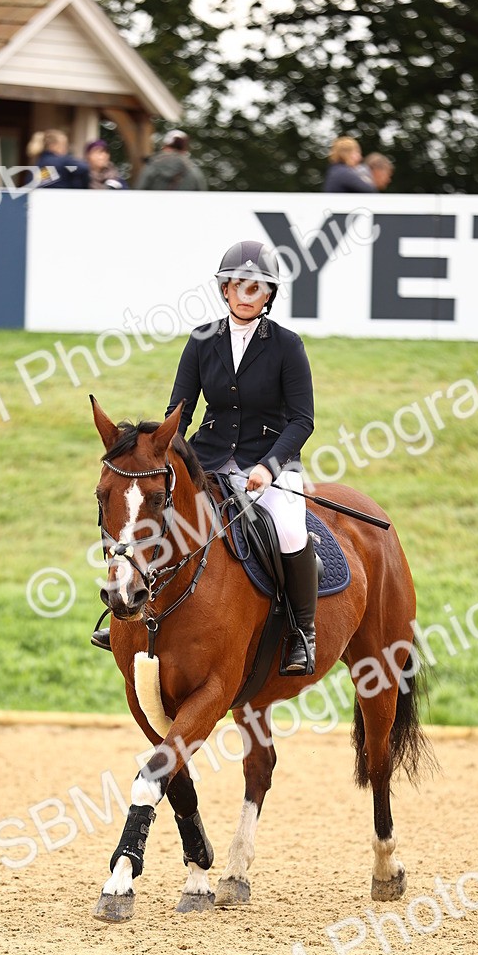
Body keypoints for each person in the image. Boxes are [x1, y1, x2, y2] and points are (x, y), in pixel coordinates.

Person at [93, 240, 318, 675]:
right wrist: (168, 456)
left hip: (269, 463)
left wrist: (268, 467)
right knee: (155, 518)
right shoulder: (202, 340)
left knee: (290, 530)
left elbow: (302, 420)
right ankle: (126, 613)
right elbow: (180, 411)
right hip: (208, 459)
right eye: (237, 285)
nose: (245, 294)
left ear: (268, 294)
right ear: (225, 290)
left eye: (255, 288)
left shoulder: (288, 346)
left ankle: (300, 634)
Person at [136, 129, 207, 191]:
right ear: (184, 148)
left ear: (165, 146)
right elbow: (201, 194)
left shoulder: (152, 166)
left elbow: (139, 191)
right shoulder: (193, 170)